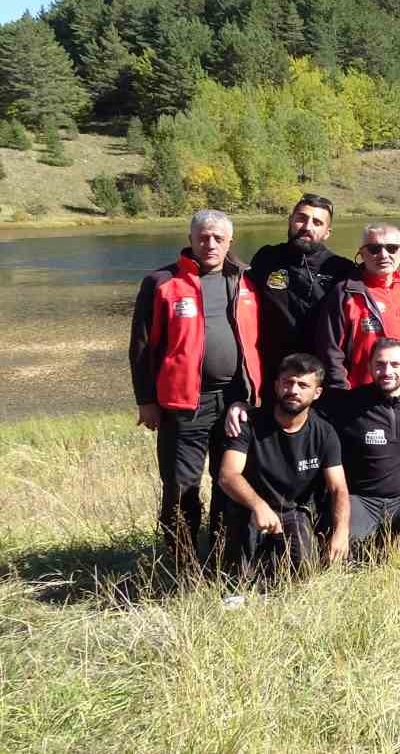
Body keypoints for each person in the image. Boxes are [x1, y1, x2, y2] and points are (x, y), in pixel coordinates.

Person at [129, 209, 263, 568]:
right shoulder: (161, 282)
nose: (210, 244)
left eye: (219, 238)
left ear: (230, 242)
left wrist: (253, 398)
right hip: (183, 403)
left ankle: (224, 556)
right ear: (190, 239)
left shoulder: (246, 280)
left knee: (229, 482)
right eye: (203, 237)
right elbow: (142, 347)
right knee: (179, 487)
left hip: (236, 403)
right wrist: (147, 401)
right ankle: (183, 563)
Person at [216, 354, 349, 586]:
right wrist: (258, 505)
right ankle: (237, 585)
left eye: (303, 385)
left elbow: (338, 488)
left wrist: (341, 532)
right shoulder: (249, 423)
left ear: (317, 393)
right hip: (249, 509)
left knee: (303, 575)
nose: (293, 390)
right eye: (287, 382)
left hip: (292, 511)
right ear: (277, 386)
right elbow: (228, 476)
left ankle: (270, 562)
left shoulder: (325, 433)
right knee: (238, 580)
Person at [316, 337, 400, 546]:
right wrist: (246, 408)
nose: (387, 371)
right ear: (370, 367)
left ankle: (396, 540)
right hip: (360, 500)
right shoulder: (348, 403)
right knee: (337, 545)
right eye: (380, 364)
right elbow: (302, 408)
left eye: (395, 364)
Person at [248, 194, 356, 388]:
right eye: (301, 218)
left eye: (317, 222)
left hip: (322, 374)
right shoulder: (266, 258)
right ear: (290, 221)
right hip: (274, 373)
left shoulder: (342, 269)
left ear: (327, 232)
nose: (307, 227)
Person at [313, 223, 400, 390]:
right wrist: (341, 395)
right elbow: (330, 351)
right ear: (362, 253)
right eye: (374, 249)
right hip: (362, 397)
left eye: (392, 248)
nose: (384, 255)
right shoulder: (345, 294)